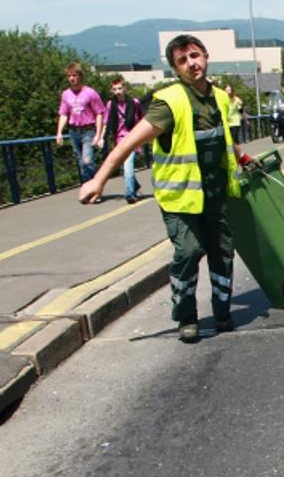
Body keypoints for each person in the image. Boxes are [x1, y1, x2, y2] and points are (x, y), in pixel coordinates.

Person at [78, 34, 246, 343]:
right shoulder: (169, 102)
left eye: (195, 56)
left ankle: (222, 311)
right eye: (182, 61)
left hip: (215, 194)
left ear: (206, 56)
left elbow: (225, 137)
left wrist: (241, 157)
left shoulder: (220, 97)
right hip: (180, 197)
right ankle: (186, 316)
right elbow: (129, 141)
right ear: (175, 68)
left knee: (222, 253)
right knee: (189, 251)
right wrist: (100, 179)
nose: (191, 64)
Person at [55, 62, 106, 186]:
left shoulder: (90, 93)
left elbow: (99, 113)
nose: (72, 78)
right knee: (81, 163)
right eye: (69, 76)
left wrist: (98, 135)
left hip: (88, 130)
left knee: (87, 161)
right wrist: (59, 132)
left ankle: (97, 183)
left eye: (74, 75)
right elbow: (64, 114)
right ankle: (87, 190)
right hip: (74, 131)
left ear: (80, 76)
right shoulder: (66, 94)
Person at [104, 78, 144, 204]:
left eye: (120, 88)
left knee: (127, 166)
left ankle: (130, 194)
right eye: (115, 89)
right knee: (125, 168)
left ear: (125, 89)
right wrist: (100, 137)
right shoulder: (111, 105)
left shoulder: (134, 103)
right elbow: (106, 121)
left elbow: (142, 119)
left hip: (132, 138)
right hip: (119, 140)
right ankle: (135, 186)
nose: (118, 92)